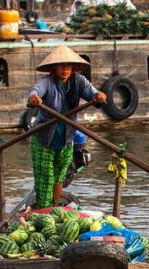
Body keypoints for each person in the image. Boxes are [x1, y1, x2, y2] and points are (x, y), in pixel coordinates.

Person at [27, 46, 106, 209]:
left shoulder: (79, 81)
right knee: (45, 178)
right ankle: (44, 211)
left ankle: (55, 207)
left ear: (73, 68)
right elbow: (36, 91)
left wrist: (99, 96)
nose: (65, 69)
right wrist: (34, 98)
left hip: (66, 137)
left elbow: (93, 94)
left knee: (59, 176)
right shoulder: (46, 82)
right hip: (44, 138)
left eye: (68, 66)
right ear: (53, 68)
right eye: (61, 66)